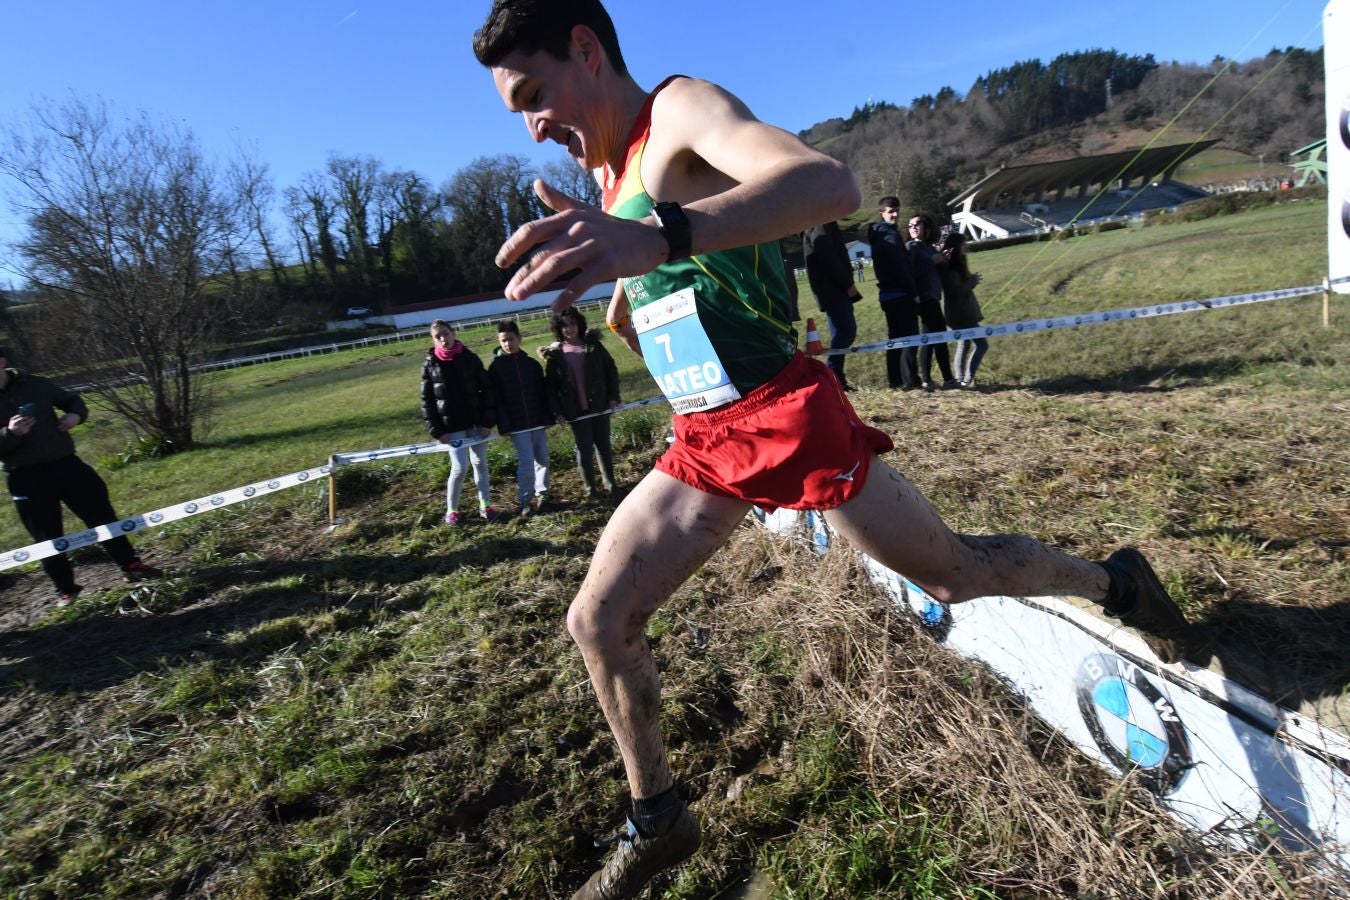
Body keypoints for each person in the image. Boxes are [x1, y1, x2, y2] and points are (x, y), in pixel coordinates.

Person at [473, 3, 1193, 895]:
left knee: (953, 575)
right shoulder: (615, 177)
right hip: (707, 435)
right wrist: (638, 296)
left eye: (535, 96)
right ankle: (657, 816)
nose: (535, 126)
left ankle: (1116, 581)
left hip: (782, 413)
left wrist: (660, 240)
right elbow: (667, 294)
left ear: (587, 49)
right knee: (598, 621)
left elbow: (825, 183)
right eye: (519, 113)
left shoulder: (682, 111)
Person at [0, 346, 161, 605]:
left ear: (2, 361)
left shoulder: (36, 384)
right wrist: (10, 434)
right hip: (24, 476)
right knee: (46, 535)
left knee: (102, 515)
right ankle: (65, 590)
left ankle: (130, 565)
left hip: (67, 464)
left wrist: (75, 416)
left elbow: (71, 400)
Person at [420, 320, 498, 524]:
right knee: (459, 468)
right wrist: (437, 431)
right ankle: (452, 510)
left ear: (453, 333)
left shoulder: (470, 358)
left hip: (476, 424)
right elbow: (427, 401)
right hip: (451, 428)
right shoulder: (430, 363)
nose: (443, 339)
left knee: (480, 463)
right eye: (438, 336)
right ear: (433, 340)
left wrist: (487, 422)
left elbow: (487, 389)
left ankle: (485, 505)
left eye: (446, 334)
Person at [540, 306, 621, 499]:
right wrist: (557, 411)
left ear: (579, 324)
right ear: (558, 329)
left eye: (572, 324)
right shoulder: (555, 355)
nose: (569, 328)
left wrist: (613, 397)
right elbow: (550, 387)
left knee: (604, 447)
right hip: (575, 411)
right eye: (564, 325)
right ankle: (590, 490)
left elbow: (611, 370)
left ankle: (611, 485)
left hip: (599, 406)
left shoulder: (593, 346)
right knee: (584, 450)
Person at [488, 319, 553, 516]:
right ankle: (525, 500)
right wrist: (504, 424)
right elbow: (497, 399)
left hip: (537, 422)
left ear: (519, 338)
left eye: (511, 339)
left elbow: (542, 393)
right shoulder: (495, 368)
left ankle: (544, 495)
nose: (507, 344)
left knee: (542, 459)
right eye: (503, 340)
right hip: (516, 426)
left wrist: (547, 416)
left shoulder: (531, 365)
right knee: (526, 464)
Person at [866, 196, 921, 390]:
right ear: (882, 213)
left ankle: (895, 380)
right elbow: (901, 268)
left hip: (887, 294)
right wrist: (913, 292)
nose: (895, 214)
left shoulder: (877, 235)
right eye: (891, 211)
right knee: (910, 338)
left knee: (895, 339)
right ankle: (910, 381)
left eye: (897, 210)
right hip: (901, 293)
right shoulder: (890, 236)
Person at [802, 220, 860, 390]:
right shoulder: (819, 222)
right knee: (846, 331)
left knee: (841, 333)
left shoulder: (822, 221)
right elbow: (828, 256)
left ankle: (837, 379)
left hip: (833, 289)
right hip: (833, 289)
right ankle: (832, 375)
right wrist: (846, 283)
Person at [905, 213, 958, 390]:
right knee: (939, 337)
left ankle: (928, 379)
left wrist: (943, 260)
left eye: (917, 224)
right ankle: (947, 378)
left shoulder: (930, 248)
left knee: (930, 337)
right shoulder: (911, 247)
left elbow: (937, 272)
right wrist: (931, 262)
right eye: (910, 225)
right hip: (922, 298)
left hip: (934, 296)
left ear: (926, 228)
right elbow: (910, 273)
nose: (913, 227)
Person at [938, 231, 988, 387]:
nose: (965, 248)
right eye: (963, 245)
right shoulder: (951, 268)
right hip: (961, 314)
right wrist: (972, 282)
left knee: (964, 343)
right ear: (955, 247)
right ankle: (966, 379)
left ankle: (962, 379)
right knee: (982, 344)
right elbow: (956, 291)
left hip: (960, 313)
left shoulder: (956, 264)